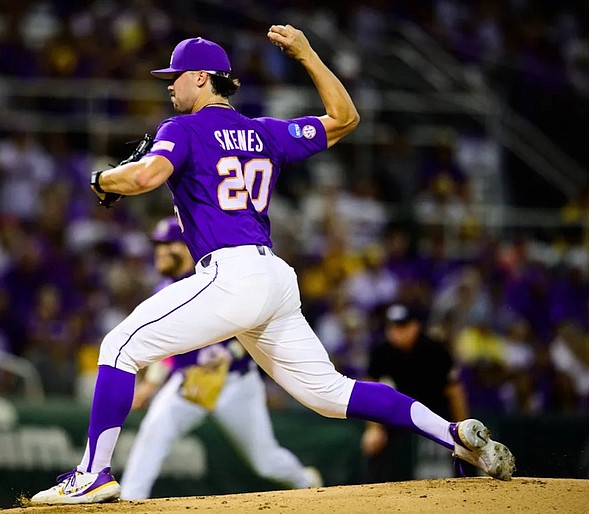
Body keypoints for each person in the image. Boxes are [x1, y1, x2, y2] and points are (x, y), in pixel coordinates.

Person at [31, 25, 515, 505]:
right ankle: (452, 434)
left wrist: (102, 179)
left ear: (202, 77)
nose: (170, 86)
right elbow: (345, 118)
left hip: (230, 273)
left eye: (175, 77)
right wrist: (306, 54)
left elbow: (147, 176)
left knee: (118, 346)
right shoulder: (264, 132)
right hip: (274, 278)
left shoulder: (180, 128)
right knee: (329, 393)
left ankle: (92, 474)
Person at [120, 217, 322, 500]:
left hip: (235, 384)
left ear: (187, 246)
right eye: (158, 245)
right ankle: (130, 500)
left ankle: (304, 480)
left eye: (169, 244)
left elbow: (255, 323)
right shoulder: (164, 291)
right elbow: (165, 351)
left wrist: (231, 352)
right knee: (153, 435)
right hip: (191, 384)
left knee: (265, 460)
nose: (161, 251)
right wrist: (150, 385)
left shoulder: (221, 278)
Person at [360, 302, 469, 483]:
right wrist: (373, 429)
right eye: (393, 326)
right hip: (401, 411)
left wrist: (461, 428)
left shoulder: (435, 350)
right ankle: (370, 494)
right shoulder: (381, 351)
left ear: (415, 326)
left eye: (402, 326)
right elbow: (369, 392)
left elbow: (455, 392)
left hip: (436, 411)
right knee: (373, 443)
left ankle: (471, 487)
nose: (397, 331)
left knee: (465, 446)